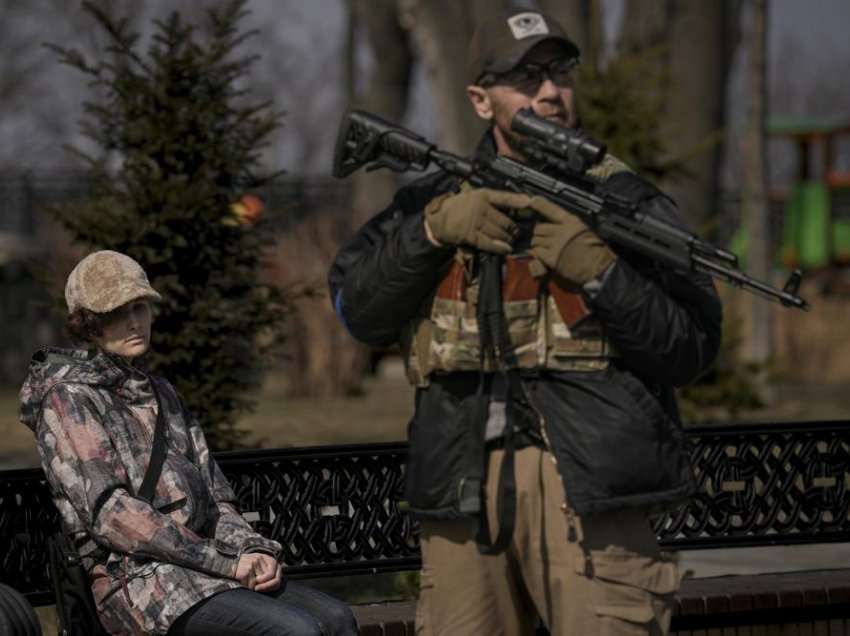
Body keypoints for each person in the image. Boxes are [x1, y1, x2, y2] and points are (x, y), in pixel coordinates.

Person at [329, 8, 723, 636]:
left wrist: (598, 270)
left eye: (560, 71)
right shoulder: (432, 199)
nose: (549, 91)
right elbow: (356, 311)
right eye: (525, 76)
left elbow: (692, 348)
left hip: (592, 498)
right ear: (481, 100)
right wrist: (432, 232)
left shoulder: (628, 205)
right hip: (464, 494)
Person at [20, 250, 359, 636]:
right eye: (116, 312)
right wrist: (225, 562)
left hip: (207, 572)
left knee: (337, 619)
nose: (134, 322)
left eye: (140, 308)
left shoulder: (162, 393)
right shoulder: (69, 400)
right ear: (89, 323)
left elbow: (217, 498)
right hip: (139, 585)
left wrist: (252, 549)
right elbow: (113, 516)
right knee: (295, 631)